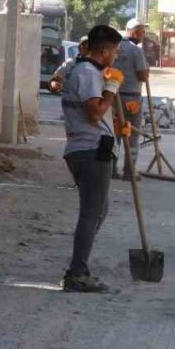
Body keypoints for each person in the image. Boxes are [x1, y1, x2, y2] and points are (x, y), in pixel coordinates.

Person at [59, 24, 125, 293]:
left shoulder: (88, 71)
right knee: (91, 213)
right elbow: (95, 113)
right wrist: (111, 88)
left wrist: (118, 124)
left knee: (99, 210)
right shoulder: (87, 72)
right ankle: (77, 273)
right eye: (116, 52)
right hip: (90, 150)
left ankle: (80, 265)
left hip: (89, 147)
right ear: (105, 50)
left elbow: (101, 115)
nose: (116, 57)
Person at [113, 19, 149, 180]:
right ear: (133, 31)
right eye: (142, 32)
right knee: (131, 135)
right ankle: (129, 171)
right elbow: (142, 75)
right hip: (131, 99)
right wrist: (147, 71)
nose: (143, 35)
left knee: (115, 135)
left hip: (113, 96)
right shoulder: (136, 51)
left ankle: (111, 169)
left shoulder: (115, 47)